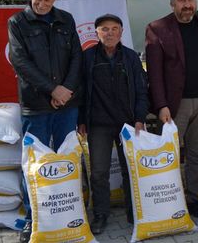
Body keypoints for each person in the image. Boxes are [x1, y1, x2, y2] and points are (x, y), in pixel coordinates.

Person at [8, 0, 82, 242]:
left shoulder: (66, 20)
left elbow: (76, 57)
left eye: (46, 0)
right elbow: (20, 62)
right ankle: (32, 218)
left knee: (65, 162)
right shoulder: (17, 23)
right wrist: (52, 90)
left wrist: (65, 90)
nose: (40, 4)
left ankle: (70, 211)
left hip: (66, 104)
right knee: (34, 164)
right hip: (36, 105)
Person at [145, 0, 198, 220]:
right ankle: (169, 201)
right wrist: (161, 104)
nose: (187, 5)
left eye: (191, 0)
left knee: (197, 154)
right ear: (172, 3)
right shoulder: (157, 28)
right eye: (182, 1)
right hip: (176, 105)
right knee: (170, 155)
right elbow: (154, 73)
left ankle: (193, 199)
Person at [77, 14, 148, 234]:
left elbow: (141, 89)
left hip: (127, 124)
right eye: (104, 29)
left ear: (121, 32)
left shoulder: (130, 57)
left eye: (114, 29)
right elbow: (80, 91)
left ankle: (133, 213)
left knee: (130, 170)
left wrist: (139, 118)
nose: (109, 33)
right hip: (98, 124)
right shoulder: (87, 57)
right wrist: (81, 120)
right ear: (96, 33)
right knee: (99, 172)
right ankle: (100, 215)